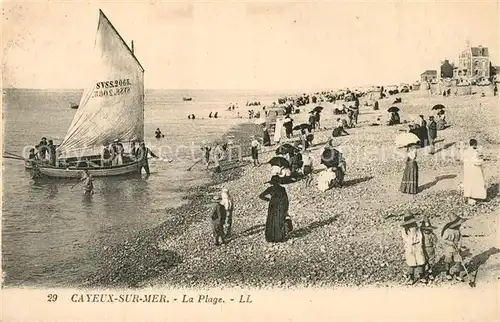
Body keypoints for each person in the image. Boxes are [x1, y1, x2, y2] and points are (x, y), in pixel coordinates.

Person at [258, 175, 289, 243]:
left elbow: (261, 196)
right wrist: (286, 209)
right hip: (280, 206)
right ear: (278, 182)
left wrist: (268, 199)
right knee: (279, 221)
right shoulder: (282, 189)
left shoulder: (270, 189)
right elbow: (286, 200)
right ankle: (280, 237)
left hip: (272, 206)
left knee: (271, 221)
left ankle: (270, 237)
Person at [401, 212, 426, 285]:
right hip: (409, 246)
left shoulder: (416, 227)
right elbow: (405, 238)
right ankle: (411, 278)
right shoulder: (404, 230)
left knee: (420, 260)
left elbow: (420, 236)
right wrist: (410, 243)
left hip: (417, 245)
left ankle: (422, 277)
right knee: (411, 262)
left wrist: (420, 243)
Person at [441, 216, 467, 281]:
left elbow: (460, 239)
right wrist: (450, 243)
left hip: (456, 248)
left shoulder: (458, 231)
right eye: (458, 224)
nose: (459, 225)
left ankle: (457, 274)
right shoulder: (447, 231)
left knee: (458, 260)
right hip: (449, 248)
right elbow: (443, 240)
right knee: (448, 261)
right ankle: (447, 273)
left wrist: (459, 246)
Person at [462, 139, 486, 205]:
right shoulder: (475, 152)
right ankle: (478, 197)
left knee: (469, 184)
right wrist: (481, 160)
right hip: (475, 170)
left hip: (467, 171)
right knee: (478, 183)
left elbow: (464, 160)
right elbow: (476, 162)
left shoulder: (465, 151)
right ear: (475, 144)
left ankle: (468, 196)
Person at [420, 217, 438, 281]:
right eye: (425, 229)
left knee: (431, 261)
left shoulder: (432, 235)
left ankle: (430, 272)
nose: (427, 231)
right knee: (424, 261)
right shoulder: (421, 235)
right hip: (424, 248)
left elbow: (435, 240)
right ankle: (425, 273)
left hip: (431, 248)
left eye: (428, 229)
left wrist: (434, 238)